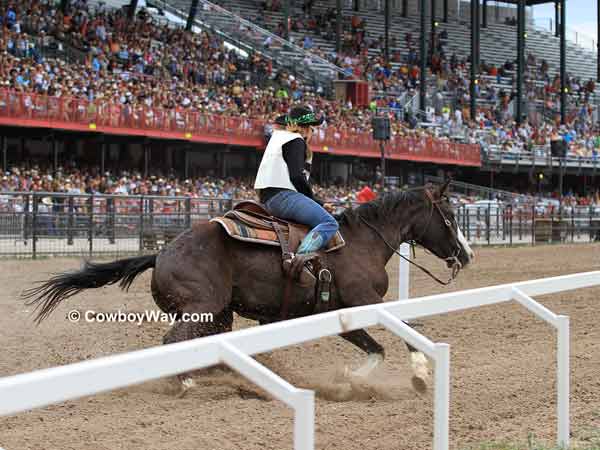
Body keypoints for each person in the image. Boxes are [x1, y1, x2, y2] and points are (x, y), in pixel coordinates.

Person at [254, 106, 338, 284]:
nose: (313, 131)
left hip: (268, 198)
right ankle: (299, 261)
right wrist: (315, 202)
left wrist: (318, 203)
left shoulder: (278, 139)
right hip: (284, 197)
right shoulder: (296, 140)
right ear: (306, 128)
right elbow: (296, 176)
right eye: (312, 127)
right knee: (330, 223)